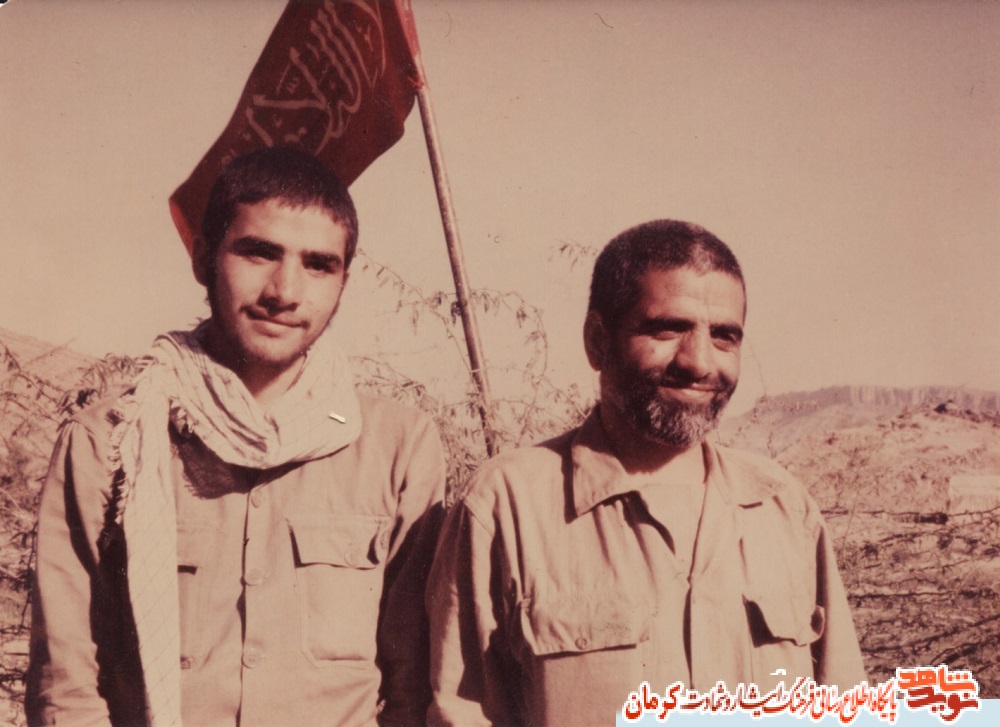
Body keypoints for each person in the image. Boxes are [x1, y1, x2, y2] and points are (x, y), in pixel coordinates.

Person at [27, 146, 445, 727]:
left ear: (344, 282)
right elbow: (66, 686)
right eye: (258, 252)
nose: (284, 291)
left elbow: (414, 689)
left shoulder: (397, 447)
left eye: (319, 265)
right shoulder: (109, 441)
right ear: (204, 258)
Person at [425, 220, 866, 726]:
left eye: (724, 336)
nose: (699, 362)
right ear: (597, 341)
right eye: (667, 329)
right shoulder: (506, 506)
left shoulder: (784, 507)